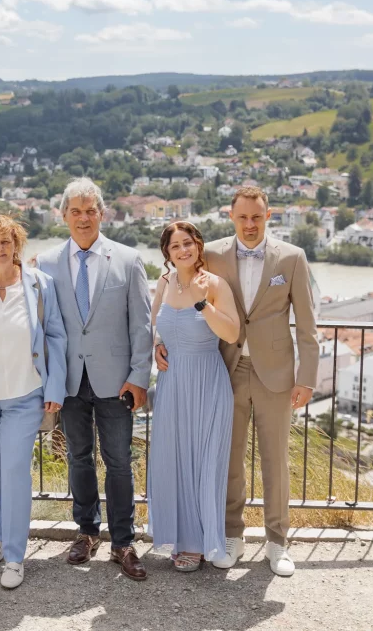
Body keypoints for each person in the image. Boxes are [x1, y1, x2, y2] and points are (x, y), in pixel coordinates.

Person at [156, 185, 318, 577]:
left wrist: (307, 380)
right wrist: (161, 342)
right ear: (231, 216)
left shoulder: (292, 258)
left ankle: (277, 542)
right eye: (242, 216)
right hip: (225, 371)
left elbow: (308, 326)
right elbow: (176, 289)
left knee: (275, 461)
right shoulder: (210, 253)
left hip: (276, 373)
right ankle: (231, 536)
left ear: (268, 216)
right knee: (226, 460)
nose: (249, 224)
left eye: (256, 217)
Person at [35, 177, 151, 581]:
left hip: (117, 381)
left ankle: (123, 540)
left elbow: (142, 325)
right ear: (63, 215)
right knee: (77, 458)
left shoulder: (128, 259)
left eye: (90, 211)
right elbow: (42, 328)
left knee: (119, 461)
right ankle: (86, 532)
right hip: (68, 380)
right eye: (75, 211)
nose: (83, 218)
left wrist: (139, 377)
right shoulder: (46, 263)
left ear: (102, 214)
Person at [0, 215, 67, 590]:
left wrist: (55, 387)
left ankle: (16, 557)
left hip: (26, 394)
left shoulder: (40, 284)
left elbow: (56, 335)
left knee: (16, 471)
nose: (0, 249)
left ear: (17, 245)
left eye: (7, 242)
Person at [148, 222, 238, 572]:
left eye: (188, 243)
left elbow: (231, 333)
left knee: (205, 463)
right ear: (167, 254)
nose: (183, 250)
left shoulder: (215, 285)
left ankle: (201, 543)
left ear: (198, 246)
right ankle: (183, 538)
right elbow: (156, 323)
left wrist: (203, 304)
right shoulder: (165, 282)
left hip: (206, 383)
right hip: (171, 385)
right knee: (176, 460)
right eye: (175, 246)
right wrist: (157, 345)